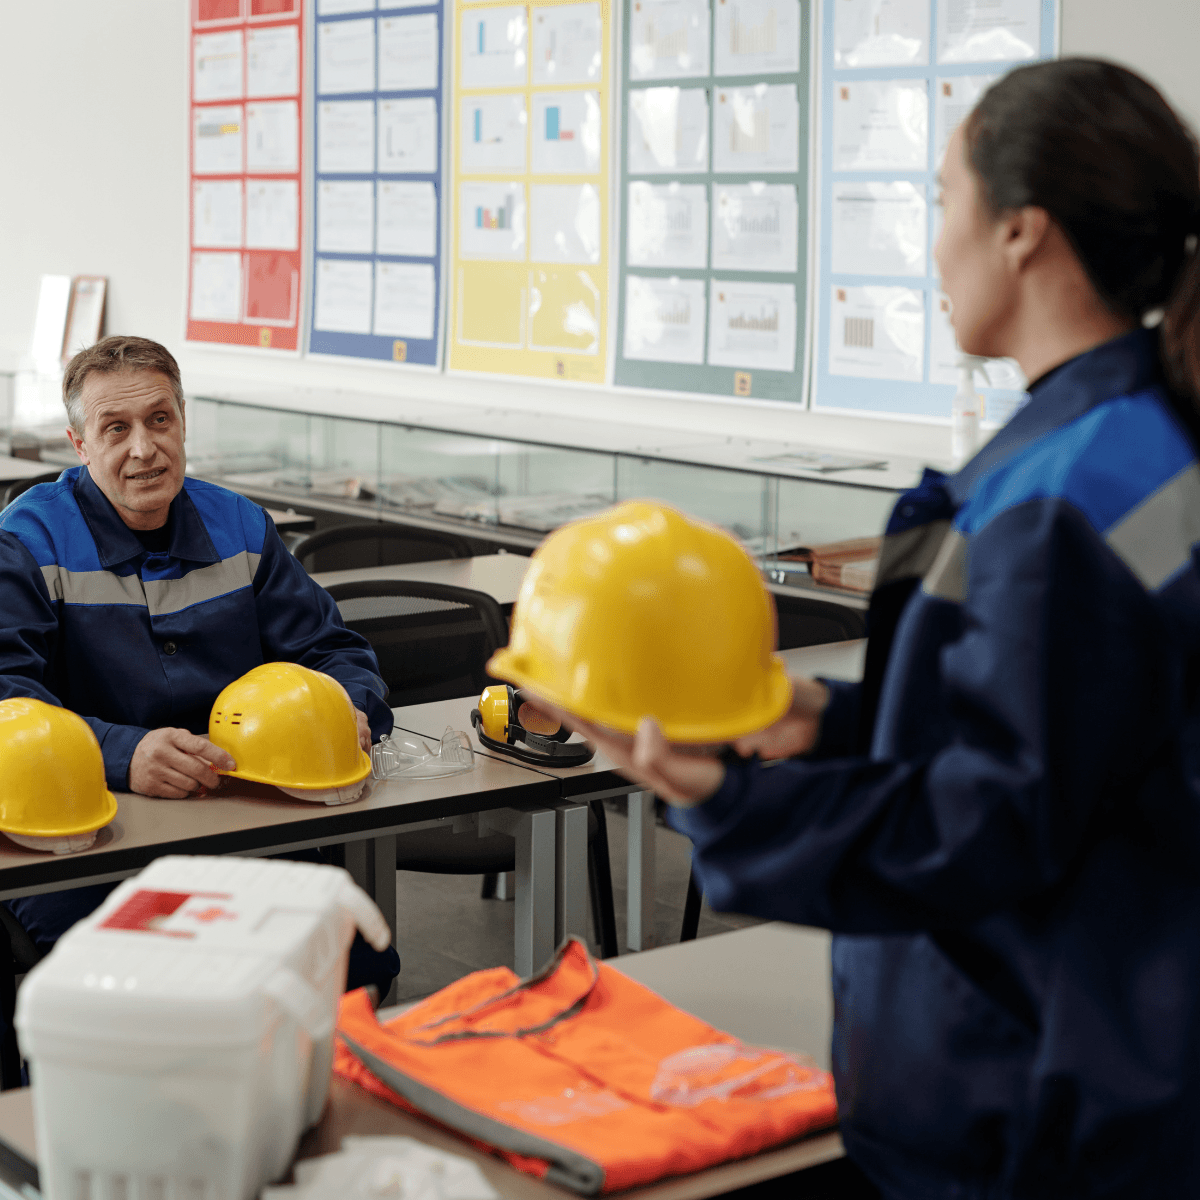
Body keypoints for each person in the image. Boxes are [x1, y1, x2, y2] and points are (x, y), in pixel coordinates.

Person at [557, 61, 1200, 1196]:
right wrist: (823, 721)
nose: (932, 242)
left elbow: (992, 817)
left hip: (1038, 1099)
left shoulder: (1066, 490)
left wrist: (729, 800)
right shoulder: (1140, 443)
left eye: (943, 199)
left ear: (1022, 233)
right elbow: (1072, 739)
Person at [0, 336, 399, 995]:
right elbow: (7, 697)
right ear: (79, 445)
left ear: (183, 421)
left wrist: (350, 707)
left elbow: (335, 651)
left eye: (160, 420)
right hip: (86, 833)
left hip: (243, 814)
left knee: (350, 962)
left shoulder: (239, 525)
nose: (143, 449)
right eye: (116, 429)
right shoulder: (26, 541)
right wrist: (123, 755)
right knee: (140, 994)